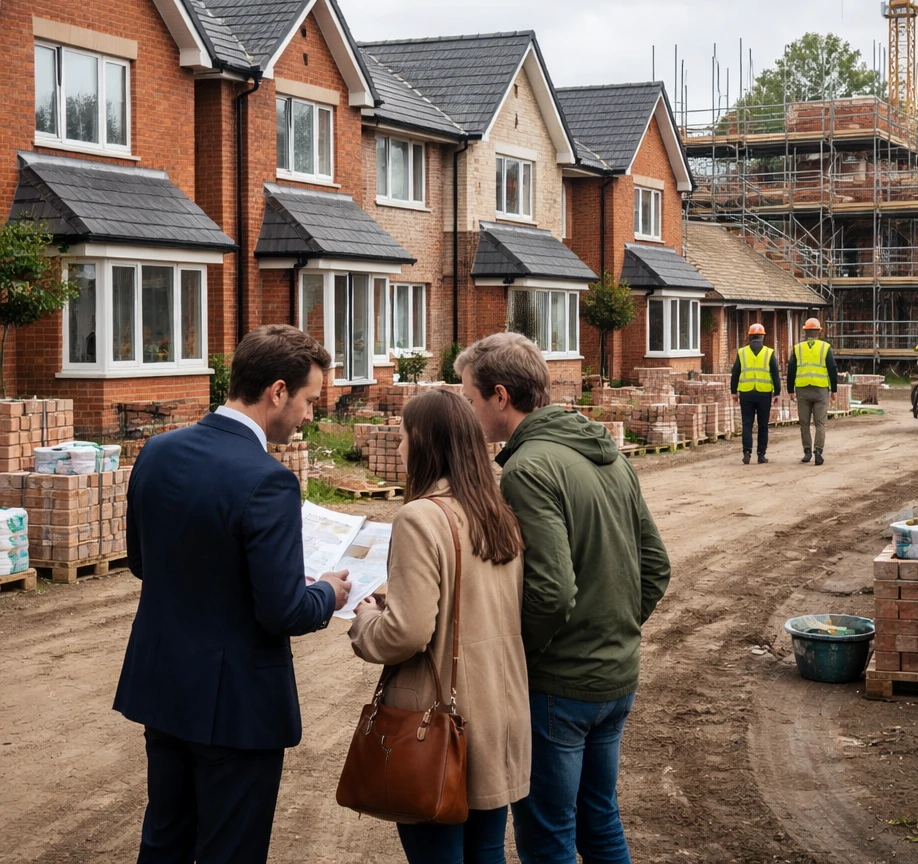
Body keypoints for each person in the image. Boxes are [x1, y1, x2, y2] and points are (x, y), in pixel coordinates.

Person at [113, 324, 352, 864]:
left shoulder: (158, 451)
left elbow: (142, 563)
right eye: (310, 399)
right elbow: (283, 609)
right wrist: (327, 593)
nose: (310, 416)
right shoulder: (267, 479)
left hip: (165, 686)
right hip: (236, 706)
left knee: (165, 839)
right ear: (276, 392)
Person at [455, 332, 671, 864]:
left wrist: (518, 656)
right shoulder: (608, 456)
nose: (467, 411)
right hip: (615, 677)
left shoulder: (527, 470)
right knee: (600, 822)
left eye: (469, 398)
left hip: (558, 686)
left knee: (549, 836)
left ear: (500, 396)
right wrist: (615, 630)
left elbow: (551, 591)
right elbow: (656, 566)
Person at [349, 388, 530, 864]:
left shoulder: (420, 517)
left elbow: (405, 634)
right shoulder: (497, 512)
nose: (400, 447)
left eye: (404, 436)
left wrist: (364, 619)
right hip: (497, 713)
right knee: (486, 852)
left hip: (438, 722)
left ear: (425, 442)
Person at [786, 317, 839, 466]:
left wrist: (790, 389)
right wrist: (834, 389)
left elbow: (791, 369)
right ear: (819, 331)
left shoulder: (797, 348)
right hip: (821, 390)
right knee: (820, 423)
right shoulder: (825, 347)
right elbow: (832, 368)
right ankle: (818, 451)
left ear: (805, 331)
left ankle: (807, 451)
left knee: (804, 423)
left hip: (802, 389)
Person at [730, 322, 781, 465]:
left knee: (747, 424)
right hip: (764, 393)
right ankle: (761, 455)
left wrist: (734, 392)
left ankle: (747, 452)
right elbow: (775, 374)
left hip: (746, 393)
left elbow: (735, 373)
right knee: (763, 425)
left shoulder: (742, 352)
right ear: (763, 337)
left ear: (749, 337)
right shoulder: (769, 353)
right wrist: (777, 393)